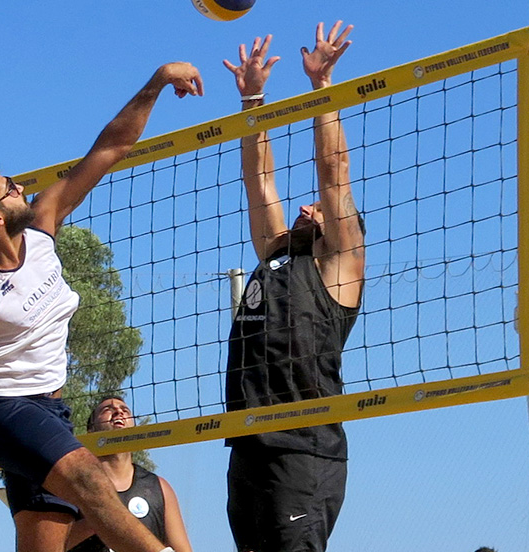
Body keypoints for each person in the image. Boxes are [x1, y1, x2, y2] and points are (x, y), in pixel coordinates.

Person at [0, 61, 203, 552]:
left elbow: (111, 147)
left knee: (46, 546)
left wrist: (155, 83)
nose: (20, 186)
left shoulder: (43, 225)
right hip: (4, 414)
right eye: (9, 188)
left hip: (51, 410)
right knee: (95, 484)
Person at [221, 23, 364, 552]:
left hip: (304, 445)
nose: (308, 205)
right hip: (249, 441)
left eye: (317, 209)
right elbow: (258, 178)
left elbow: (335, 172)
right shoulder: (276, 253)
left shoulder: (338, 268)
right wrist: (253, 98)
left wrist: (321, 86)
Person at [65, 396, 192, 552]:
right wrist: (99, 520)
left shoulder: (159, 487)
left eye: (125, 410)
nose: (118, 411)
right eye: (107, 410)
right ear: (91, 431)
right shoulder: (72, 484)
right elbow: (46, 545)